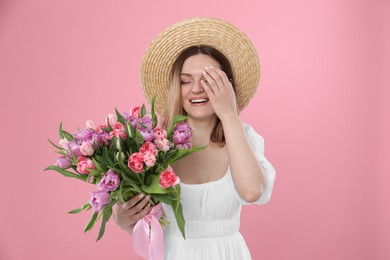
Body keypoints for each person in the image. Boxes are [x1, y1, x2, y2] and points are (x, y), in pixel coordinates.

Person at [113, 17, 276, 260]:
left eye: (210, 80)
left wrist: (230, 114)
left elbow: (252, 192)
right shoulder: (152, 145)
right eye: (185, 81)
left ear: (228, 86)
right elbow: (130, 212)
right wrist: (123, 218)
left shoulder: (244, 137)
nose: (196, 89)